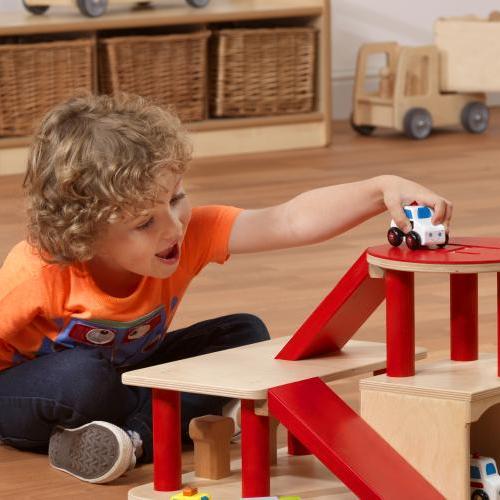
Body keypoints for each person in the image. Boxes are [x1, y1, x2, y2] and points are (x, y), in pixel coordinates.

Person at [0, 93, 453, 484]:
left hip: (129, 372)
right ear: (86, 235)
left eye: (176, 197)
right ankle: (172, 422)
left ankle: (130, 440)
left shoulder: (188, 232)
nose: (175, 226)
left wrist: (380, 189)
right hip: (36, 395)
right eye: (145, 222)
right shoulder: (38, 270)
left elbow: (288, 219)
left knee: (243, 333)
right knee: (85, 376)